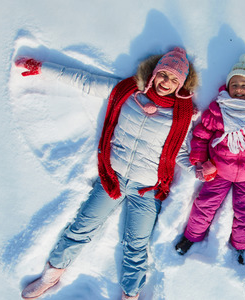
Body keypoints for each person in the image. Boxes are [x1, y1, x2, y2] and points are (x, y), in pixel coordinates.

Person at [15, 47, 199, 300]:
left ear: (181, 84)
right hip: (113, 178)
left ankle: (130, 295)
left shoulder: (182, 115)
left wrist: (200, 169)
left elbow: (179, 152)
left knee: (136, 247)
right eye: (163, 75)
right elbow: (85, 81)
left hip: (146, 190)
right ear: (154, 74)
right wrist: (42, 68)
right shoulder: (127, 92)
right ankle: (50, 276)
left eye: (173, 79)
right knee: (81, 228)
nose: (166, 82)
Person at [174, 55, 245, 264]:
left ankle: (241, 246)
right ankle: (191, 236)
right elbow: (202, 134)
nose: (239, 89)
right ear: (227, 87)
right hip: (219, 171)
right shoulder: (218, 110)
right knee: (204, 204)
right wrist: (199, 159)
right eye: (235, 85)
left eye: (243, 85)